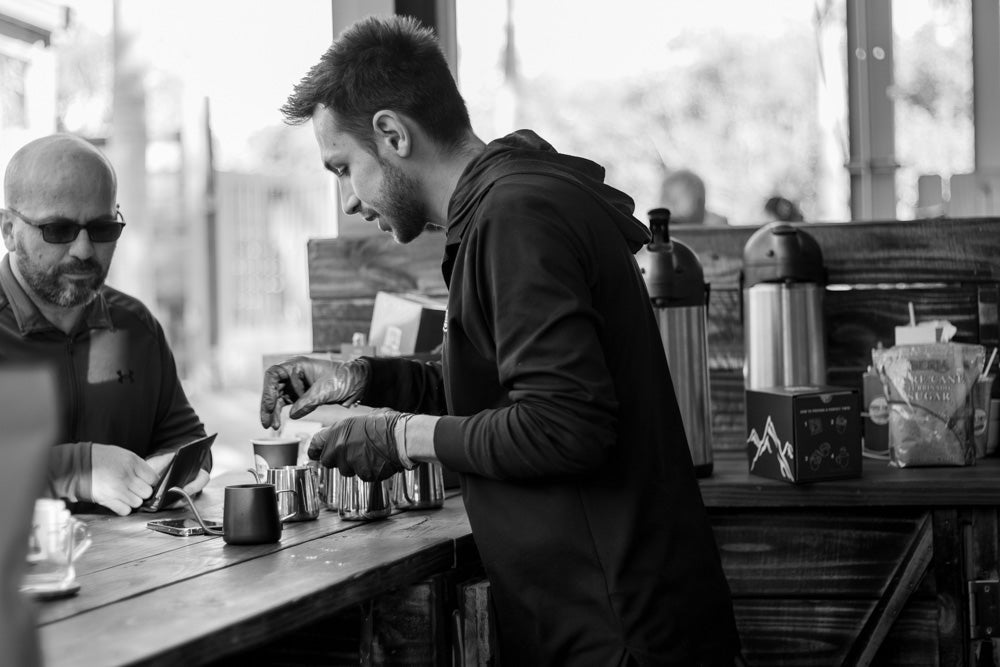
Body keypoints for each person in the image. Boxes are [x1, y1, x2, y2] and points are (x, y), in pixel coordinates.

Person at [261, 16, 740, 665]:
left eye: (343, 168)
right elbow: (494, 387)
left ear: (393, 134)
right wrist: (362, 379)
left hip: (620, 634)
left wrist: (400, 438)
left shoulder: (516, 218)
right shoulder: (504, 206)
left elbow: (564, 425)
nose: (346, 199)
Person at [0, 133, 211, 516]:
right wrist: (77, 469)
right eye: (58, 230)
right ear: (8, 231)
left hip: (135, 556)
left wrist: (179, 468)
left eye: (102, 229)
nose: (83, 250)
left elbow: (183, 438)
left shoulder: (136, 326)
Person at [659, 168, 729, 226]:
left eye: (676, 200)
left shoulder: (716, 225)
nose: (672, 207)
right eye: (669, 199)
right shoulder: (665, 225)